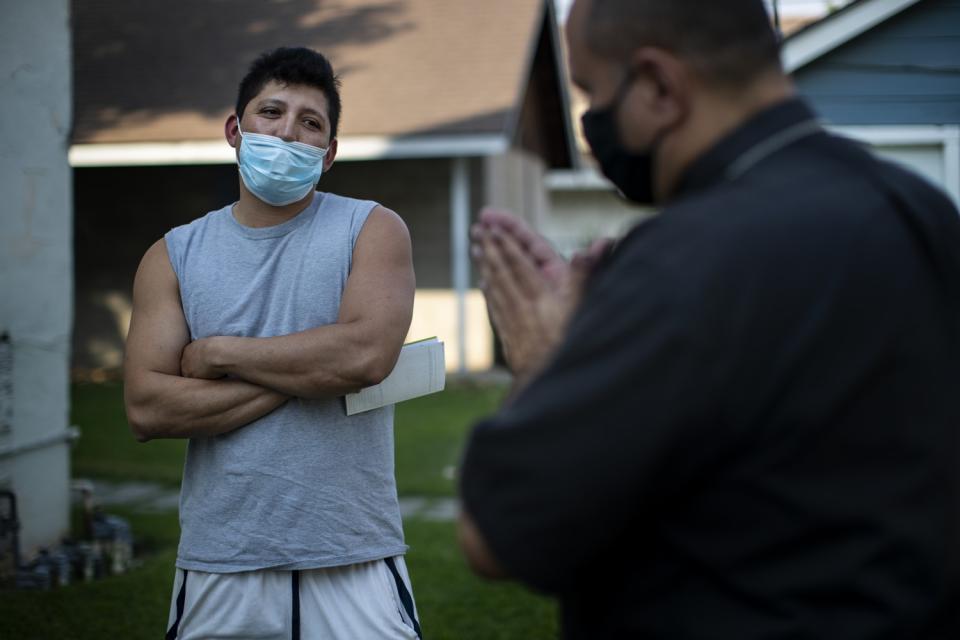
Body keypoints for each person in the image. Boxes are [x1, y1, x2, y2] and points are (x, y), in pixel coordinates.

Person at [458, 0, 960, 638]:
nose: (589, 123)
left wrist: (549, 363)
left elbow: (499, 532)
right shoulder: (924, 211)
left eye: (592, 90)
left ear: (659, 86)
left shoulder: (687, 257)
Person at [123, 47, 422, 640]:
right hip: (221, 558)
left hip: (352, 553)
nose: (287, 133)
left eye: (310, 123)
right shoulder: (173, 256)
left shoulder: (372, 228)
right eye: (271, 112)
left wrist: (217, 355)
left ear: (329, 154)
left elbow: (365, 357)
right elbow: (146, 408)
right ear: (236, 129)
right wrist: (314, 374)